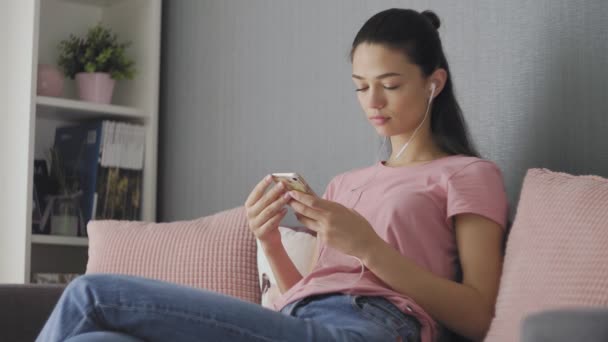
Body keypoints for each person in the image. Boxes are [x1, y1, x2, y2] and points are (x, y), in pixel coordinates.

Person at [37, 8, 508, 342]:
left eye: (390, 85)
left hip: (374, 327)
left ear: (435, 83)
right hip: (302, 318)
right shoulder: (345, 184)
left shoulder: (467, 174)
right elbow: (310, 290)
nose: (372, 102)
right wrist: (269, 242)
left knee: (89, 294)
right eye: (360, 87)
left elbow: (479, 315)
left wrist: (368, 246)